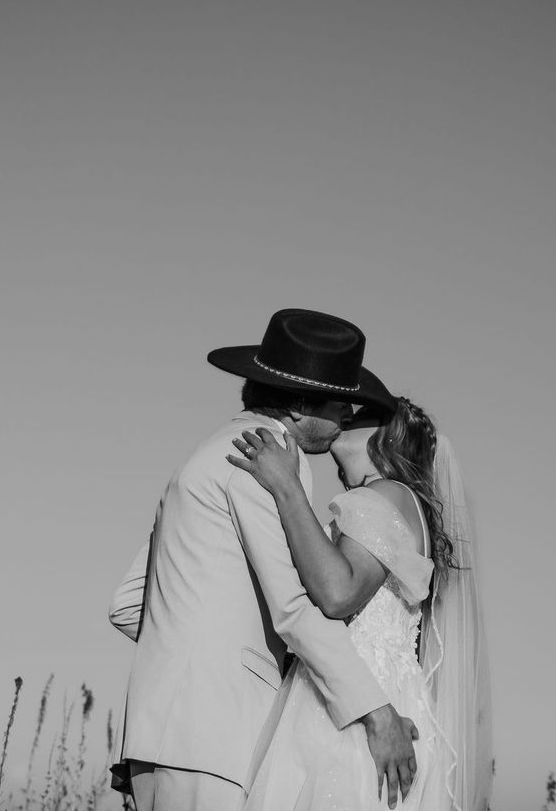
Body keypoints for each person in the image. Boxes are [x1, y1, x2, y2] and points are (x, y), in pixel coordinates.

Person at [108, 309, 422, 811]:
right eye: (339, 403)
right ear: (298, 404)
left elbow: (128, 604)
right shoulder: (265, 457)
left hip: (158, 738)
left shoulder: (207, 455)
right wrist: (377, 712)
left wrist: (180, 672)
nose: (346, 415)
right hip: (214, 737)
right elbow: (294, 607)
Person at [228, 395, 493, 811]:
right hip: (375, 692)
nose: (345, 417)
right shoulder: (394, 501)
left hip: (361, 707)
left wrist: (287, 487)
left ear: (385, 435)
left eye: (360, 415)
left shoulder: (386, 494)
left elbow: (338, 593)